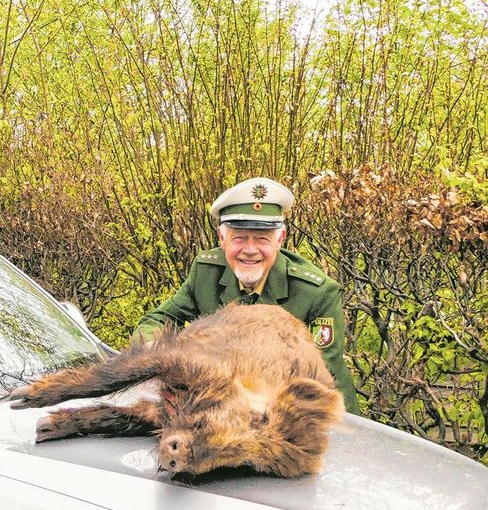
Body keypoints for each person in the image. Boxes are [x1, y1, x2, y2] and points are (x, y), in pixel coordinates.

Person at [130, 177, 362, 416]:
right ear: (222, 238)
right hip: (218, 411)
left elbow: (323, 378)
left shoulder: (316, 292)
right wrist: (157, 355)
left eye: (262, 239)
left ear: (280, 239)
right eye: (239, 238)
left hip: (296, 416)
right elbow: (156, 321)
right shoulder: (206, 273)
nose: (250, 250)